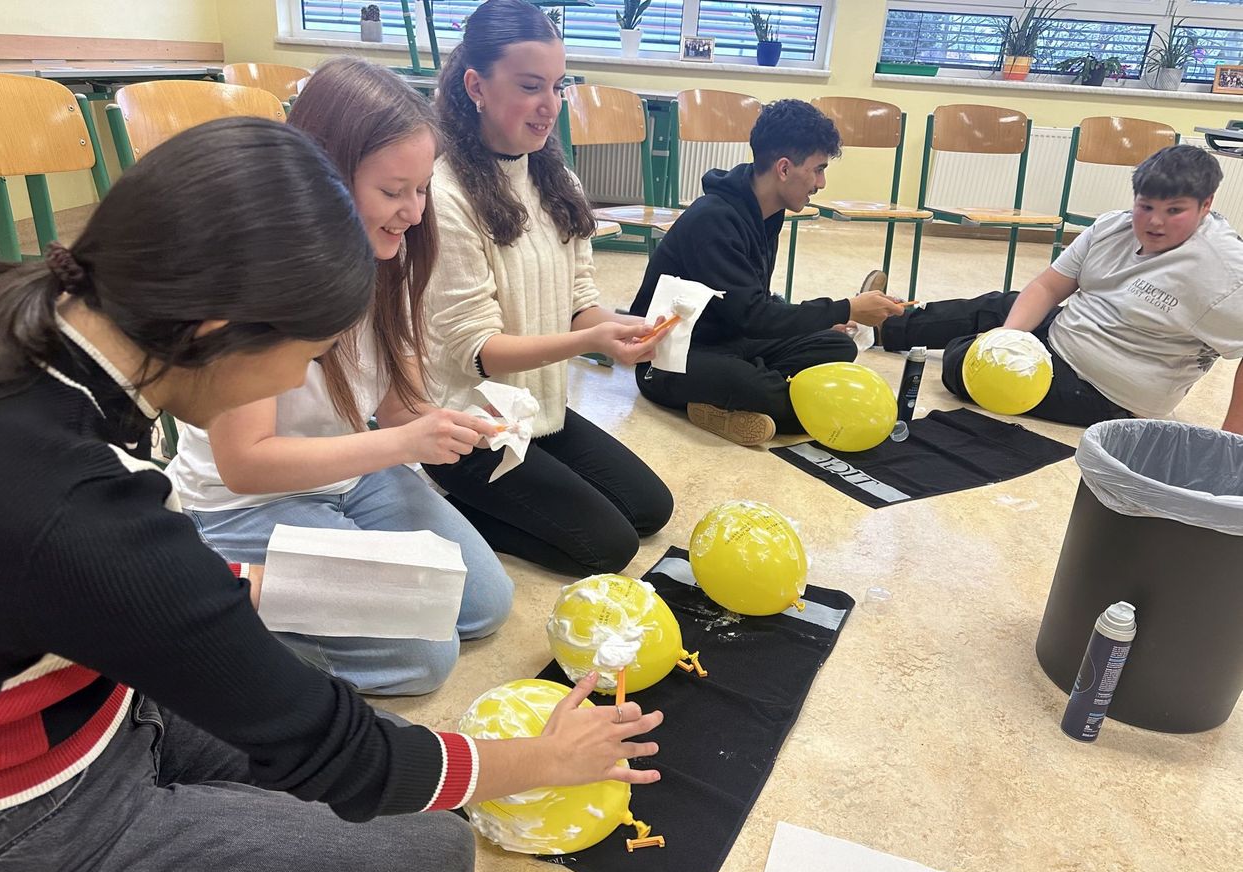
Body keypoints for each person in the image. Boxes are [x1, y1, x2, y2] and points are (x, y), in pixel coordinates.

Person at [0, 117, 663, 872]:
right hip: (10, 828)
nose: (302, 378)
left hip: (91, 704)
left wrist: (239, 593)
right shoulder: (83, 511)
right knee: (428, 858)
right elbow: (347, 758)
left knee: (299, 676)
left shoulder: (27, 327)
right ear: (218, 334)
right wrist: (538, 763)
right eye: (305, 355)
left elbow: (71, 587)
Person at [165, 59, 513, 696]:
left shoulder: (393, 255)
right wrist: (403, 445)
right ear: (321, 175)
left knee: (482, 603)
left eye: (423, 188)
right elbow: (245, 463)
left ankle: (309, 577)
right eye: (392, 191)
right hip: (245, 502)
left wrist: (456, 424)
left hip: (351, 474)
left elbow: (400, 408)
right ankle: (211, 589)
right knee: (424, 655)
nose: (412, 211)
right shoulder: (252, 272)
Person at [422, 0, 675, 577]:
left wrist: (620, 328)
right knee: (609, 548)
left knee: (649, 509)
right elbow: (480, 351)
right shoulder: (444, 194)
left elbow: (580, 299)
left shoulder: (555, 176)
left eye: (559, 87)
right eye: (531, 86)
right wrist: (595, 341)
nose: (549, 107)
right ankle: (455, 502)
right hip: (475, 424)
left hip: (537, 408)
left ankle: (511, 497)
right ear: (475, 86)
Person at [870, 144, 1243, 430]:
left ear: (1205, 205)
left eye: (1174, 211)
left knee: (959, 361)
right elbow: (1048, 287)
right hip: (1069, 331)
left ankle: (925, 335)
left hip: (1104, 391)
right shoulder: (1113, 226)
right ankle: (884, 323)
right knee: (999, 307)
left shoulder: (1224, 271)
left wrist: (1231, 443)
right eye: (1145, 207)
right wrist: (1007, 339)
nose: (1154, 222)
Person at [628, 99, 904, 446]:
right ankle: (743, 393)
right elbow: (753, 315)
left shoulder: (766, 212)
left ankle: (723, 405)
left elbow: (752, 302)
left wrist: (822, 322)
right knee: (758, 388)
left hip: (734, 339)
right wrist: (846, 307)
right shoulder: (714, 219)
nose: (821, 182)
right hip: (672, 356)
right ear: (785, 169)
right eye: (818, 169)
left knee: (836, 345)